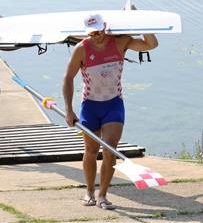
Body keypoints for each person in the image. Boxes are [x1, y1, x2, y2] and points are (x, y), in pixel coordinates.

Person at [62, 13, 158, 210]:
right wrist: (69, 110)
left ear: (105, 26)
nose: (97, 35)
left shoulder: (120, 42)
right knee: (90, 151)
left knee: (110, 150)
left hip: (113, 105)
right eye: (92, 32)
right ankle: (89, 191)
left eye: (99, 30)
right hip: (90, 105)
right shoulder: (82, 49)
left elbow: (151, 44)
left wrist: (141, 21)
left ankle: (103, 195)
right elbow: (68, 78)